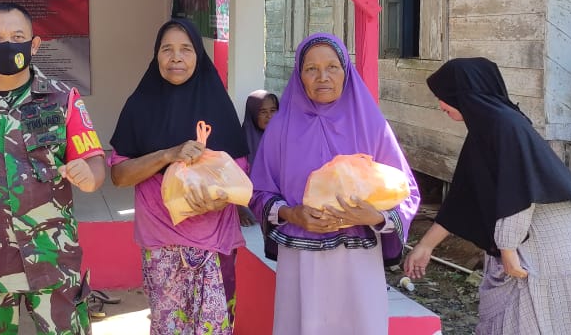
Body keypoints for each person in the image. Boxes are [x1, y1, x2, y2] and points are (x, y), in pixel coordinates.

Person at [0, 2, 107, 334]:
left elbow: (95, 161)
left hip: (52, 256)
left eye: (17, 35)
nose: (7, 43)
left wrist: (91, 176)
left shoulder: (62, 98)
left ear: (33, 45)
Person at [406, 57, 571, 335]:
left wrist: (508, 250)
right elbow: (463, 199)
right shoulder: (486, 130)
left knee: (535, 321)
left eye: (444, 97)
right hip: (524, 235)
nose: (440, 105)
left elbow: (520, 194)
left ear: (463, 94)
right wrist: (425, 246)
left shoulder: (504, 125)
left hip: (544, 239)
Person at [248, 33, 420, 335]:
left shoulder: (372, 126)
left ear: (346, 71)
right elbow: (258, 192)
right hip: (301, 262)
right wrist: (291, 213)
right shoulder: (280, 128)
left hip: (357, 261)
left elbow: (406, 192)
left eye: (332, 67)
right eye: (311, 68)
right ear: (299, 75)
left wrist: (376, 217)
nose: (322, 77)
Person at [109, 18, 249, 335]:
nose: (176, 58)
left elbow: (240, 175)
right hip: (161, 239)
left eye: (186, 49)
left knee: (216, 327)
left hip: (214, 240)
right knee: (167, 326)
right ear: (156, 56)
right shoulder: (139, 106)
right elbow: (119, 175)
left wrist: (215, 202)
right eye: (167, 49)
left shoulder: (218, 104)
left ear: (198, 55)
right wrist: (167, 155)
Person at [242, 89, 279, 258]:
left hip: (280, 210)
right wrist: (239, 209)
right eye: (262, 112)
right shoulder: (240, 141)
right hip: (251, 212)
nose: (269, 116)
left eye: (273, 110)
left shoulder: (284, 139)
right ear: (252, 114)